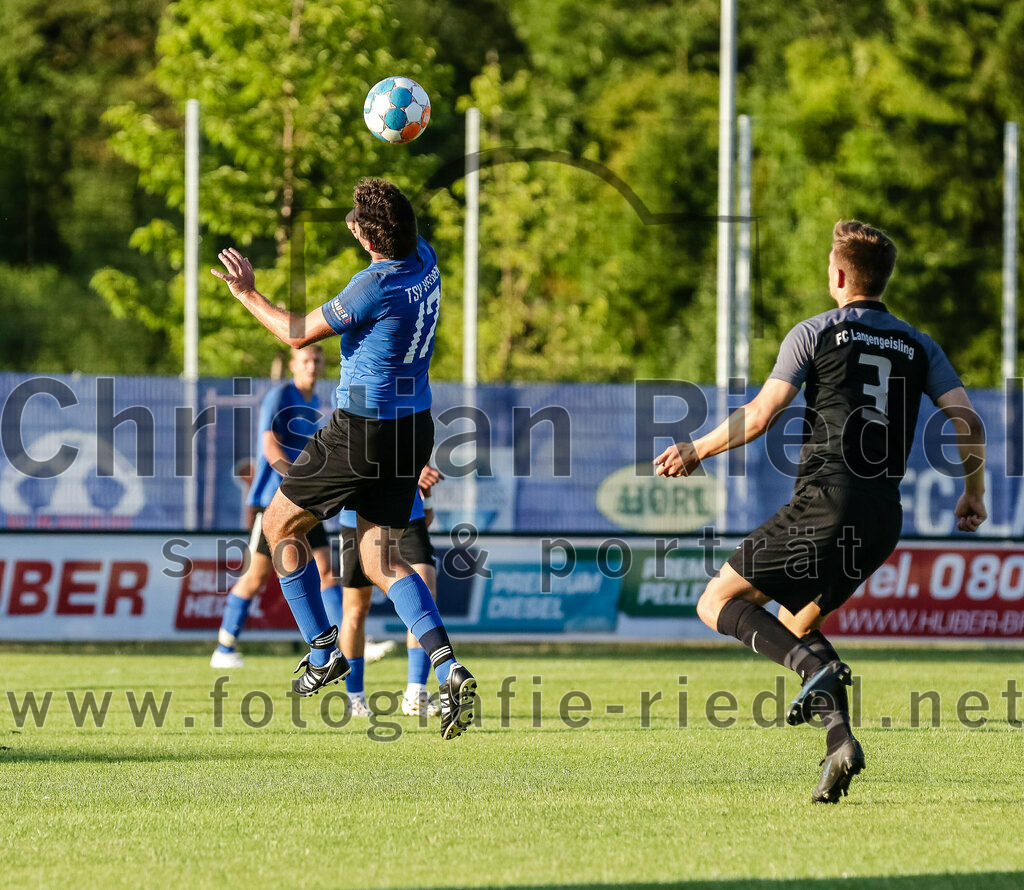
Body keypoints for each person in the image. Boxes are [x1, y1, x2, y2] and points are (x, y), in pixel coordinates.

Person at [654, 220, 987, 802]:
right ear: (883, 279)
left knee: (715, 601)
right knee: (796, 625)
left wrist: (695, 448)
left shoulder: (816, 332)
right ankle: (840, 743)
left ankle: (813, 675)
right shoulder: (919, 343)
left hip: (824, 503)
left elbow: (760, 416)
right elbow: (969, 420)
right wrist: (973, 493)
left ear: (837, 275)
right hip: (882, 518)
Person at [211, 178, 476, 740]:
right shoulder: (423, 257)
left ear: (366, 236)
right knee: (382, 559)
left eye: (356, 220)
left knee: (276, 523)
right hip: (414, 428)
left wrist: (247, 294)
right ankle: (448, 665)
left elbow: (298, 333)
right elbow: (391, 219)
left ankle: (322, 648)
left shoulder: (372, 284)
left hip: (363, 430)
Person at [334, 465, 444, 717]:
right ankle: (355, 699)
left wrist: (426, 493)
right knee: (356, 609)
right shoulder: (361, 425)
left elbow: (426, 515)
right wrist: (410, 472)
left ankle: (416, 693)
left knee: (425, 596)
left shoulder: (414, 426)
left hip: (409, 518)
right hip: (358, 520)